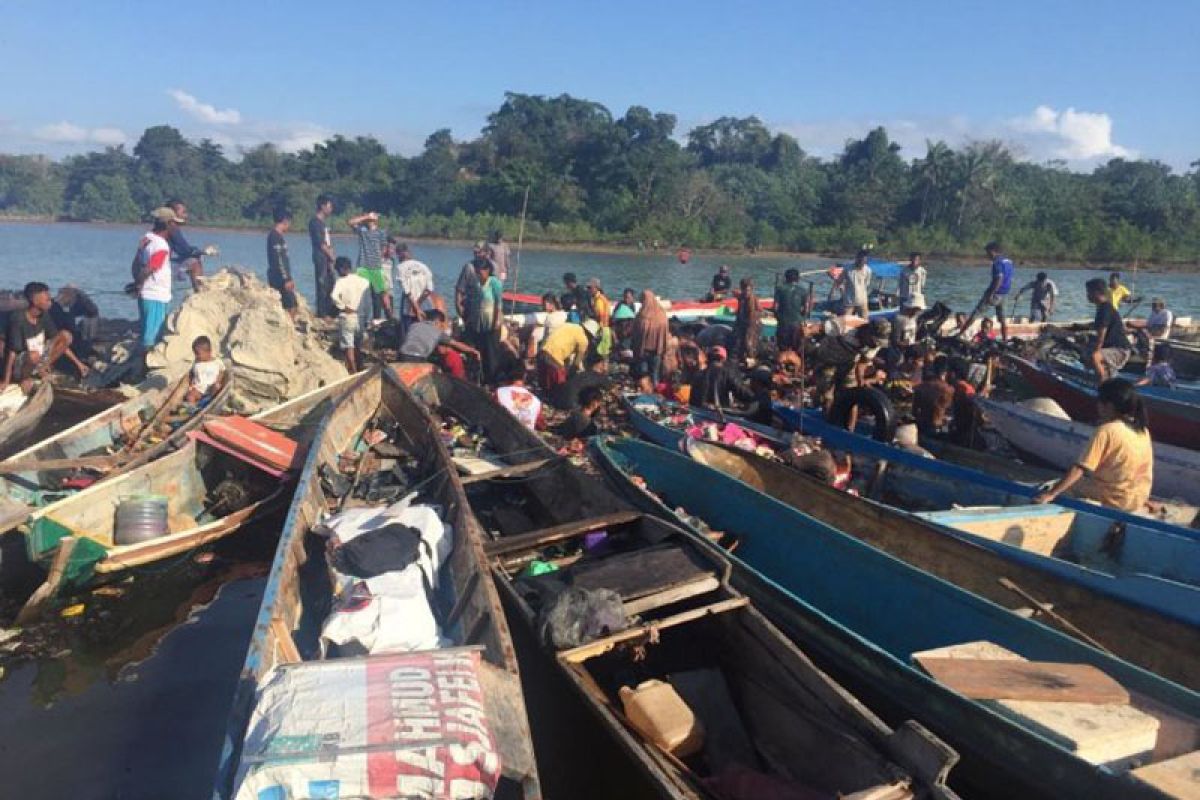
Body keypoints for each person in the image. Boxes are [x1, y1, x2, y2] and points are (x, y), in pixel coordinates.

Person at [1034, 378, 1153, 512]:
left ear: (1109, 406)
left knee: (1059, 486)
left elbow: (1080, 468)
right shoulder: (1143, 430)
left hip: (1116, 500)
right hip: (1138, 498)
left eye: (1099, 403)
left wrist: (1051, 494)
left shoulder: (1107, 430)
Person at [1, 282, 88, 390]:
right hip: (22, 363)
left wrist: (78, 364)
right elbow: (12, 352)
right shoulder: (18, 319)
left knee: (66, 335)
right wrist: (6, 380)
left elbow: (58, 340)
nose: (50, 302)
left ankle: (42, 368)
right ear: (35, 301)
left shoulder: (44, 315)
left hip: (39, 357)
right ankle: (25, 378)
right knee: (33, 355)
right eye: (47, 299)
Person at [133, 206, 180, 352]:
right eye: (175, 223)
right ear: (168, 224)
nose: (177, 227)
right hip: (155, 295)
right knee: (151, 338)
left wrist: (137, 284)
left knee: (146, 331)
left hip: (146, 294)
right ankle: (146, 367)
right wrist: (139, 283)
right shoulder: (161, 246)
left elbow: (136, 264)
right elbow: (150, 268)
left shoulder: (146, 239)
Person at [958, 241, 1014, 341]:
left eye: (988, 253)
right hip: (1005, 294)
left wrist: (991, 294)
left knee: (975, 314)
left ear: (993, 251)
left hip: (995, 293)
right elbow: (1008, 277)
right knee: (1003, 320)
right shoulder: (1008, 261)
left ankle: (959, 335)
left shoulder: (997, 263)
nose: (987, 255)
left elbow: (999, 279)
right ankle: (1005, 340)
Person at [1086, 277, 1133, 380]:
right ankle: (1106, 377)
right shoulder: (1101, 308)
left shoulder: (1105, 309)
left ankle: (1102, 384)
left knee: (1095, 356)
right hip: (1112, 347)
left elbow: (1101, 338)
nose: (1087, 296)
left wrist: (1096, 352)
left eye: (1089, 292)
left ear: (1097, 292)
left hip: (1120, 350)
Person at [330, 257, 370, 372]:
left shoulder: (341, 281)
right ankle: (360, 368)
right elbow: (368, 302)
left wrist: (342, 306)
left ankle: (352, 372)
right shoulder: (363, 281)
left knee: (349, 348)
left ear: (341, 269)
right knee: (358, 345)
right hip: (360, 317)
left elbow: (333, 296)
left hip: (347, 317)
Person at [348, 211, 390, 319]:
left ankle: (376, 320)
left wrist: (379, 257)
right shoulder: (363, 231)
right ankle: (362, 320)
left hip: (376, 267)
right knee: (361, 296)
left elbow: (384, 248)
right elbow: (350, 222)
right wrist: (366, 216)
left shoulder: (381, 232)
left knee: (377, 297)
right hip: (363, 267)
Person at [399, 309, 479, 365]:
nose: (442, 327)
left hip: (402, 355)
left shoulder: (414, 325)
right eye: (441, 325)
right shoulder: (438, 332)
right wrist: (473, 351)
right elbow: (456, 344)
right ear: (437, 322)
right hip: (417, 358)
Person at [165, 199, 214, 291]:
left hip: (163, 262)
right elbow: (184, 250)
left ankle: (199, 289)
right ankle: (199, 291)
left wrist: (198, 252)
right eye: (183, 212)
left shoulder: (167, 226)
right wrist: (203, 252)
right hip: (162, 266)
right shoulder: (172, 227)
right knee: (194, 262)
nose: (185, 215)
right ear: (173, 214)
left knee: (194, 257)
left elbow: (181, 250)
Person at [631, 290, 669, 391]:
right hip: (657, 350)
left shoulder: (641, 316)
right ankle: (657, 393)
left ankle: (646, 394)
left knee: (644, 376)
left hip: (643, 352)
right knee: (655, 374)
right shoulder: (662, 315)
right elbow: (665, 334)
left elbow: (635, 335)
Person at [539, 319, 592, 392]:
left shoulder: (568, 325)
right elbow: (576, 363)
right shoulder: (584, 340)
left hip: (543, 351)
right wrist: (571, 374)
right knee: (561, 387)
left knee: (546, 383)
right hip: (555, 358)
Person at [50, 284, 99, 362]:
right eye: (73, 296)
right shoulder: (54, 308)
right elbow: (68, 327)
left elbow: (92, 311)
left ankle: (88, 349)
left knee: (88, 320)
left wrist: (81, 294)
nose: (74, 299)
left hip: (71, 338)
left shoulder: (68, 307)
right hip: (62, 340)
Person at [476, 257, 505, 383]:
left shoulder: (494, 282)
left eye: (482, 270)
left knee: (492, 352)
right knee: (482, 351)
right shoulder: (477, 283)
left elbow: (498, 303)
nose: (479, 273)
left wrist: (496, 321)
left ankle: (494, 380)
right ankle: (484, 378)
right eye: (478, 270)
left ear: (487, 270)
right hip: (481, 322)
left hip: (493, 321)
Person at [394, 243, 434, 332]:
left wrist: (416, 309)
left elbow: (407, 292)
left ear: (400, 254)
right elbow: (429, 290)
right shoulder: (423, 266)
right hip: (427, 307)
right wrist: (419, 305)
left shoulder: (400, 268)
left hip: (408, 310)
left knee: (408, 335)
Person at [267, 209, 298, 320]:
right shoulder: (275, 236)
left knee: (288, 304)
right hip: (279, 277)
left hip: (280, 276)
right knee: (292, 305)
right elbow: (279, 259)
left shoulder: (277, 236)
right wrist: (286, 279)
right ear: (285, 221)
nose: (289, 225)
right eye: (289, 222)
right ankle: (289, 328)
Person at [309, 195, 337, 318]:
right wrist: (330, 255)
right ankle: (322, 313)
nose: (331, 209)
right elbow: (321, 244)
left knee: (330, 284)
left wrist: (331, 255)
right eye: (329, 206)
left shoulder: (322, 223)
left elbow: (327, 242)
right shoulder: (315, 222)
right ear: (322, 206)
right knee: (322, 284)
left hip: (327, 258)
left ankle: (329, 311)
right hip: (321, 257)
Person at [495, 364, 543, 431]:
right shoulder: (537, 402)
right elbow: (541, 426)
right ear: (524, 376)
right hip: (526, 438)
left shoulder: (499, 392)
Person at [912, 363, 954, 436]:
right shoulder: (948, 390)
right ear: (944, 374)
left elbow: (914, 410)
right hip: (938, 428)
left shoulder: (920, 387)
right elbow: (948, 412)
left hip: (921, 426)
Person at [773, 268, 808, 352]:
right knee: (796, 349)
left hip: (783, 323)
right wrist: (802, 318)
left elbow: (775, 307)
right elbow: (806, 308)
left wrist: (778, 317)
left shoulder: (780, 289)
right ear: (798, 279)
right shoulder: (803, 291)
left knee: (782, 348)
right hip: (796, 324)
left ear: (786, 278)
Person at [185, 335, 226, 403]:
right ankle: (193, 408)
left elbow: (222, 371)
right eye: (195, 354)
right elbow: (192, 373)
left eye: (198, 354)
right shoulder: (196, 363)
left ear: (208, 352)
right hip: (199, 389)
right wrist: (191, 384)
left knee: (217, 387)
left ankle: (211, 399)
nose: (196, 356)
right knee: (190, 395)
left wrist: (218, 380)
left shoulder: (217, 362)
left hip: (211, 388)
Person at [732, 277, 761, 362]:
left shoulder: (753, 298)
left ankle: (751, 359)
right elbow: (740, 310)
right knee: (739, 341)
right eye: (744, 289)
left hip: (751, 323)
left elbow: (758, 310)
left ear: (751, 289)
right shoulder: (741, 297)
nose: (746, 292)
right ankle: (742, 358)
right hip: (742, 322)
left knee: (749, 343)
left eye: (748, 290)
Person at [842, 250, 873, 318]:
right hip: (849, 301)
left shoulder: (868, 270)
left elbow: (866, 284)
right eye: (861, 257)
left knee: (864, 321)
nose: (862, 259)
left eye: (864, 258)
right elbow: (840, 281)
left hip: (862, 300)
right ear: (857, 258)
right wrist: (843, 293)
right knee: (846, 320)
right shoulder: (847, 268)